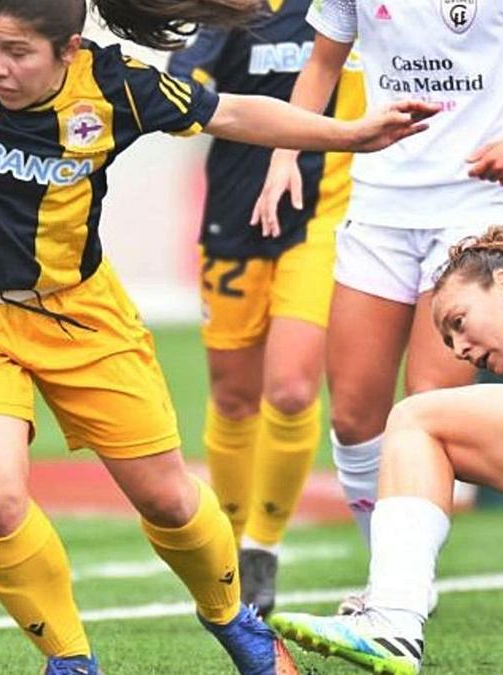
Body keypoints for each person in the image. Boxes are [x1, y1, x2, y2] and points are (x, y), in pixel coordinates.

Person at [0, 1, 435, 672]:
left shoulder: (116, 86)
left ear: (69, 49)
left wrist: (349, 135)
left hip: (80, 312)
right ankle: (71, 661)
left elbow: (229, 112)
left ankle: (235, 619)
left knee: (167, 497)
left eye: (17, 51)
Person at [251, 0, 503, 582]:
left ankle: (398, 591)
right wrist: (285, 156)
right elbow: (321, 65)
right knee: (355, 417)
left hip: (479, 201)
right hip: (381, 204)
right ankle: (389, 568)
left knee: (429, 407)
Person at [268, 227, 503, 675]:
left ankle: (392, 619)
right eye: (448, 340)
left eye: (458, 322)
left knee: (418, 421)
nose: (459, 349)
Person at [166, 3, 365, 618]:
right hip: (234, 216)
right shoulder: (227, 13)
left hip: (323, 216)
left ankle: (262, 547)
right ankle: (227, 539)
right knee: (232, 396)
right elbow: (182, 101)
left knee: (290, 389)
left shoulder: (347, 9)